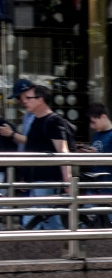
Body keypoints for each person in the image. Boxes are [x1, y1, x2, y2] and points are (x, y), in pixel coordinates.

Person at [13, 84, 74, 229]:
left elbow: (63, 150)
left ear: (40, 99)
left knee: (33, 221)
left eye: (29, 98)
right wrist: (25, 176)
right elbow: (33, 150)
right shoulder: (37, 120)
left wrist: (67, 181)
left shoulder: (52, 120)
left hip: (47, 180)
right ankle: (65, 246)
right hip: (37, 181)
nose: (25, 101)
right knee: (48, 220)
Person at [84, 103, 112, 226]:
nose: (92, 126)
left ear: (103, 117)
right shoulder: (98, 134)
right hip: (96, 185)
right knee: (88, 220)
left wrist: (95, 153)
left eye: (94, 122)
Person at [1, 78, 35, 152]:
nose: (19, 101)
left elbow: (35, 141)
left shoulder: (38, 116)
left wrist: (12, 134)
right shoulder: (27, 116)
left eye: (18, 97)